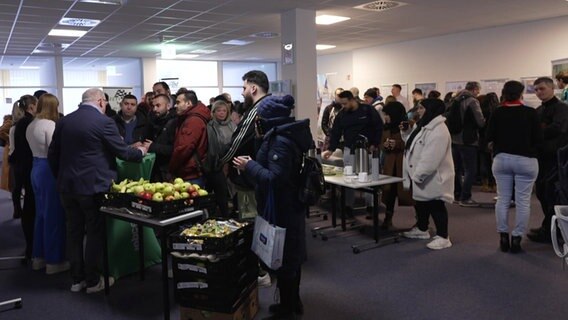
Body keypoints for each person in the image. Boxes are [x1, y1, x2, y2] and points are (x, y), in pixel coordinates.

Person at [48, 88, 147, 293]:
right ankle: (93, 281)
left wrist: (60, 176)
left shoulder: (64, 121)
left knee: (74, 231)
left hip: (67, 186)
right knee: (94, 232)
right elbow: (122, 151)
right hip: (93, 186)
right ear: (101, 102)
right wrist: (141, 151)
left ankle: (77, 280)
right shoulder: (104, 122)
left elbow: (53, 154)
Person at [233, 95, 312, 319]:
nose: (256, 120)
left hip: (284, 207)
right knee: (288, 257)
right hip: (282, 205)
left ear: (269, 118)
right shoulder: (277, 136)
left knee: (286, 259)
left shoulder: (282, 142)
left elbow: (274, 178)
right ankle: (291, 302)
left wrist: (249, 166)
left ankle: (288, 307)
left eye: (259, 116)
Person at [485, 81, 542, 253]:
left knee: (502, 199)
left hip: (502, 159)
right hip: (526, 160)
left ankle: (503, 236)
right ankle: (517, 238)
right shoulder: (531, 113)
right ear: (521, 94)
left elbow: (489, 136)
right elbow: (538, 139)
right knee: (523, 201)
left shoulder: (497, 112)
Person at [401, 98, 454, 250]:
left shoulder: (438, 130)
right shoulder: (424, 125)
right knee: (422, 203)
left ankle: (444, 237)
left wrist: (418, 175)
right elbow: (413, 145)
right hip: (421, 175)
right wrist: (405, 133)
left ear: (431, 109)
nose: (418, 111)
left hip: (432, 176)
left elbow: (431, 157)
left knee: (436, 204)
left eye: (422, 108)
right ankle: (422, 229)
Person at [26, 93, 68, 273]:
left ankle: (39, 257)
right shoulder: (50, 125)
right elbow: (54, 150)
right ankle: (54, 261)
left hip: (35, 168)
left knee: (41, 215)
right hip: (48, 170)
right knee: (54, 216)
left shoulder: (32, 124)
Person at [322, 90, 383, 214]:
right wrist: (331, 149)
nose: (343, 106)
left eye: (344, 103)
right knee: (348, 179)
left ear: (352, 100)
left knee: (369, 179)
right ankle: (348, 206)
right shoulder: (342, 114)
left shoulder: (367, 110)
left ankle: (370, 206)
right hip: (349, 149)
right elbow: (336, 133)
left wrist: (375, 144)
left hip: (367, 150)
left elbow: (378, 126)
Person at [527, 77, 568, 243]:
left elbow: (558, 128)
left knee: (553, 195)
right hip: (542, 158)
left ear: (552, 88)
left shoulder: (562, 109)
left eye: (542, 89)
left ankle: (553, 229)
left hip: (557, 159)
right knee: (543, 193)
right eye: (536, 90)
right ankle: (550, 226)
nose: (538, 92)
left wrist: (539, 131)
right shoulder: (538, 110)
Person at [9, 94, 38, 263]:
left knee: (27, 205)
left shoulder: (18, 124)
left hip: (21, 167)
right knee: (31, 207)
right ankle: (32, 247)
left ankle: (30, 247)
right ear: (32, 106)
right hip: (30, 167)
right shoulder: (30, 124)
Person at [450, 81, 485, 207]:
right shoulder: (472, 101)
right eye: (478, 90)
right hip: (468, 140)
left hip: (454, 139)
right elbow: (480, 121)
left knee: (457, 169)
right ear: (475, 89)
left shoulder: (456, 99)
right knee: (470, 170)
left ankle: (457, 195)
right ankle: (466, 197)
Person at [380, 100, 413, 229]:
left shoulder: (407, 125)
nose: (385, 117)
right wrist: (385, 145)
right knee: (390, 193)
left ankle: (421, 222)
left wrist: (397, 144)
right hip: (390, 165)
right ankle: (388, 219)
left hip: (404, 164)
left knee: (411, 193)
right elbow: (381, 143)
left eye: (387, 114)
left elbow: (412, 143)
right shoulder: (386, 127)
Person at [169, 91, 211, 186]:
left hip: (191, 173)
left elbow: (184, 148)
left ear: (188, 103)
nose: (175, 105)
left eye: (178, 102)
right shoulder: (191, 117)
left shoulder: (193, 121)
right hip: (192, 171)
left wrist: (172, 168)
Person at [207, 100, 236, 217]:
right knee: (221, 194)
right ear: (213, 112)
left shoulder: (232, 125)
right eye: (218, 110)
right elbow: (212, 148)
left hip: (233, 163)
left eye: (224, 110)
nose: (221, 113)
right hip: (216, 165)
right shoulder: (210, 126)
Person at [147, 94, 176, 182]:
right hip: (155, 170)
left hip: (168, 171)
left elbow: (175, 149)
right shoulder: (152, 121)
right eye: (153, 106)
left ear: (168, 106)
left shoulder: (174, 123)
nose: (154, 109)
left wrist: (152, 147)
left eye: (158, 105)